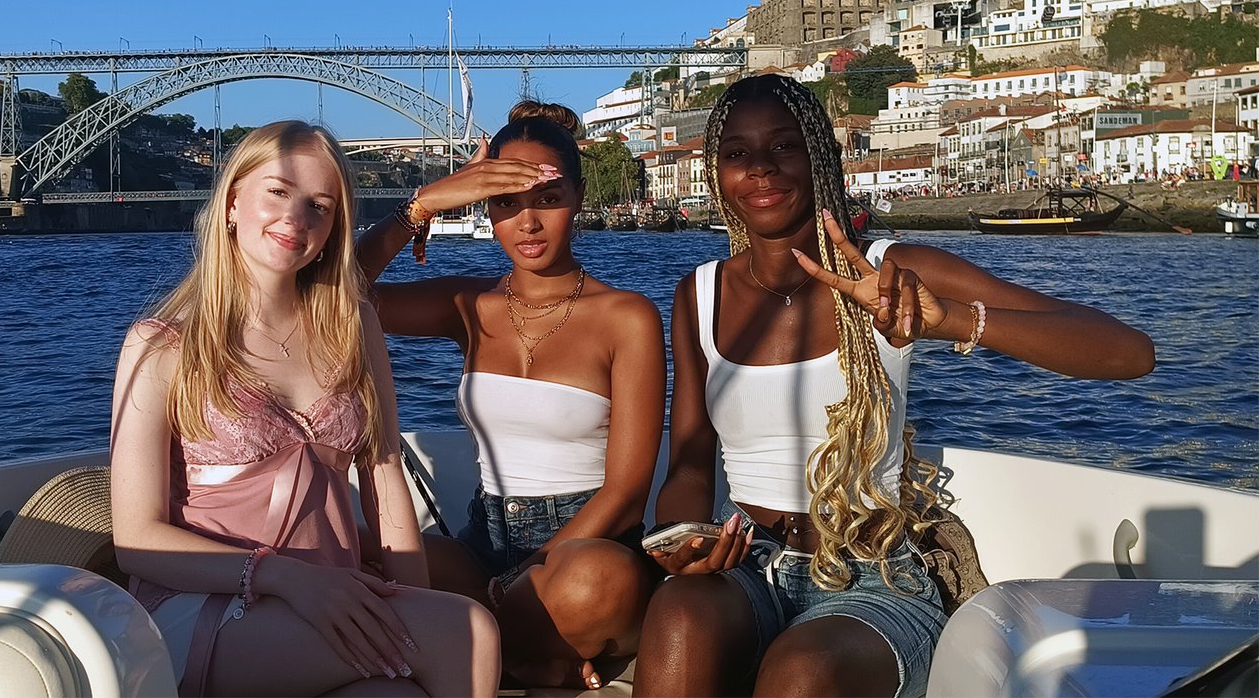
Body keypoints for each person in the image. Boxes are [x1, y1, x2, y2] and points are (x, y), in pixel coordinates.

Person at [632, 75, 1155, 698]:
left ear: (819, 157)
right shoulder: (699, 294)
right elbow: (690, 464)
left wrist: (951, 320)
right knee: (678, 616)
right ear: (718, 175)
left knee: (803, 671)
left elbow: (1130, 352)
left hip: (871, 572)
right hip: (747, 560)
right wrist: (683, 543)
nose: (762, 169)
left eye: (784, 147)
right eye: (738, 154)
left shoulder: (893, 269)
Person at [109, 121, 500, 696]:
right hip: (202, 608)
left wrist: (414, 599)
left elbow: (385, 473)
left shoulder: (354, 324)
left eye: (320, 205)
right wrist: (285, 578)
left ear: (334, 228)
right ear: (232, 201)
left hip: (328, 598)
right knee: (466, 630)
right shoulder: (164, 343)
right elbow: (136, 536)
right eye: (278, 191)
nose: (297, 217)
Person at [356, 101, 666, 690]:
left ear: (577, 196)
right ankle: (533, 655)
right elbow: (324, 295)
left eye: (547, 199)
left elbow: (627, 492)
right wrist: (419, 207)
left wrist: (524, 575)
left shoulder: (626, 317)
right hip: (484, 537)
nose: (527, 223)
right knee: (359, 559)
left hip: (584, 546)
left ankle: (482, 641)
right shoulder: (467, 306)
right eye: (504, 203)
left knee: (596, 584)